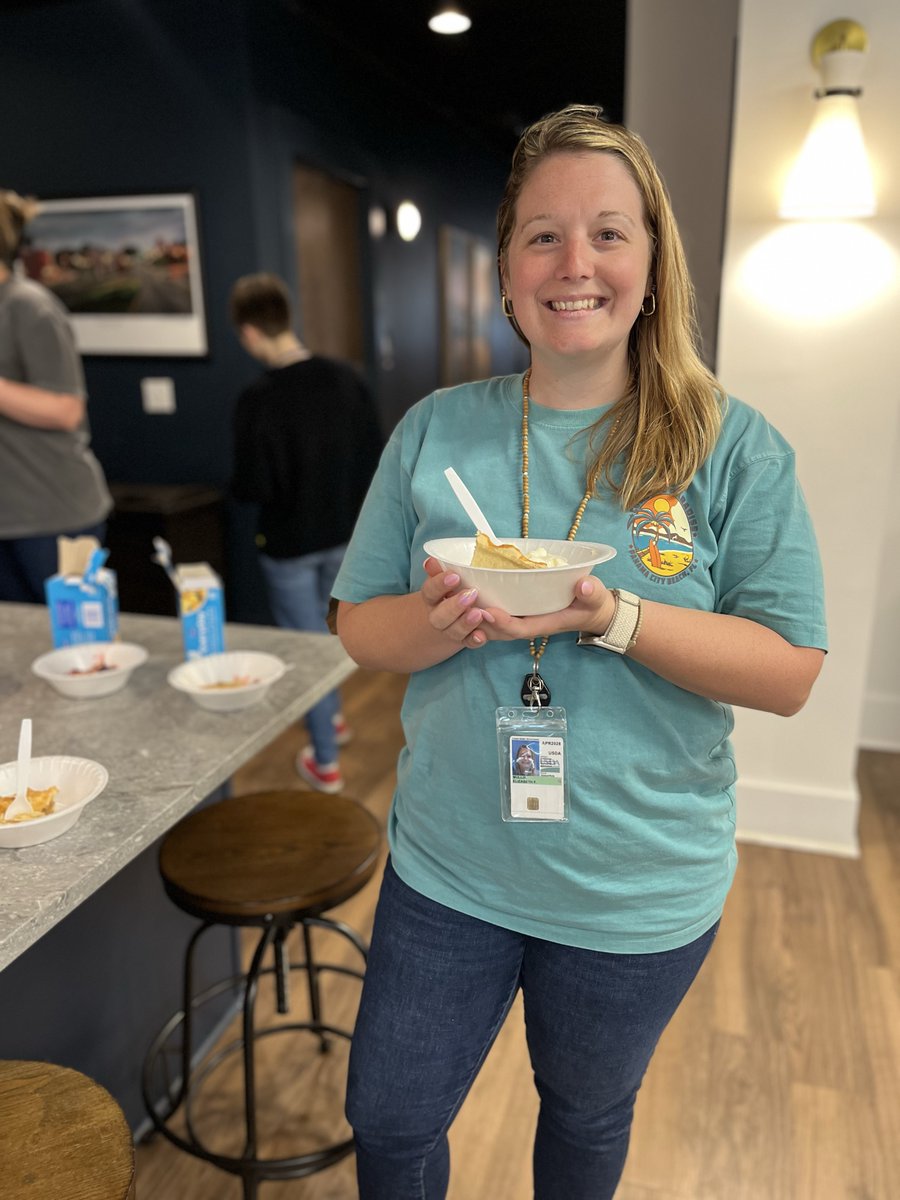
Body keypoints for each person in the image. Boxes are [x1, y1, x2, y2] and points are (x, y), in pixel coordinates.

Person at [331, 105, 827, 1198]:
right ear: (508, 269)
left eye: (609, 233)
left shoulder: (730, 445)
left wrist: (613, 618)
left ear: (652, 264)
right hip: (450, 863)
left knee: (587, 1114)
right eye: (542, 236)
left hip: (634, 885)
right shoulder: (434, 430)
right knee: (389, 1118)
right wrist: (445, 617)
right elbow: (360, 625)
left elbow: (790, 669)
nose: (575, 264)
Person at [229, 272, 383, 793]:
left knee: (306, 647)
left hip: (289, 543)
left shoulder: (258, 399)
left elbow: (252, 486)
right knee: (330, 636)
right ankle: (332, 719)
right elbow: (373, 457)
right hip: (345, 534)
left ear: (249, 332)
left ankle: (325, 761)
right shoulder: (345, 380)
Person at [0, 190, 112, 603]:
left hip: (53, 517)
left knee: (73, 638)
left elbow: (66, 409)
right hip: (7, 517)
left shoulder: (30, 308)